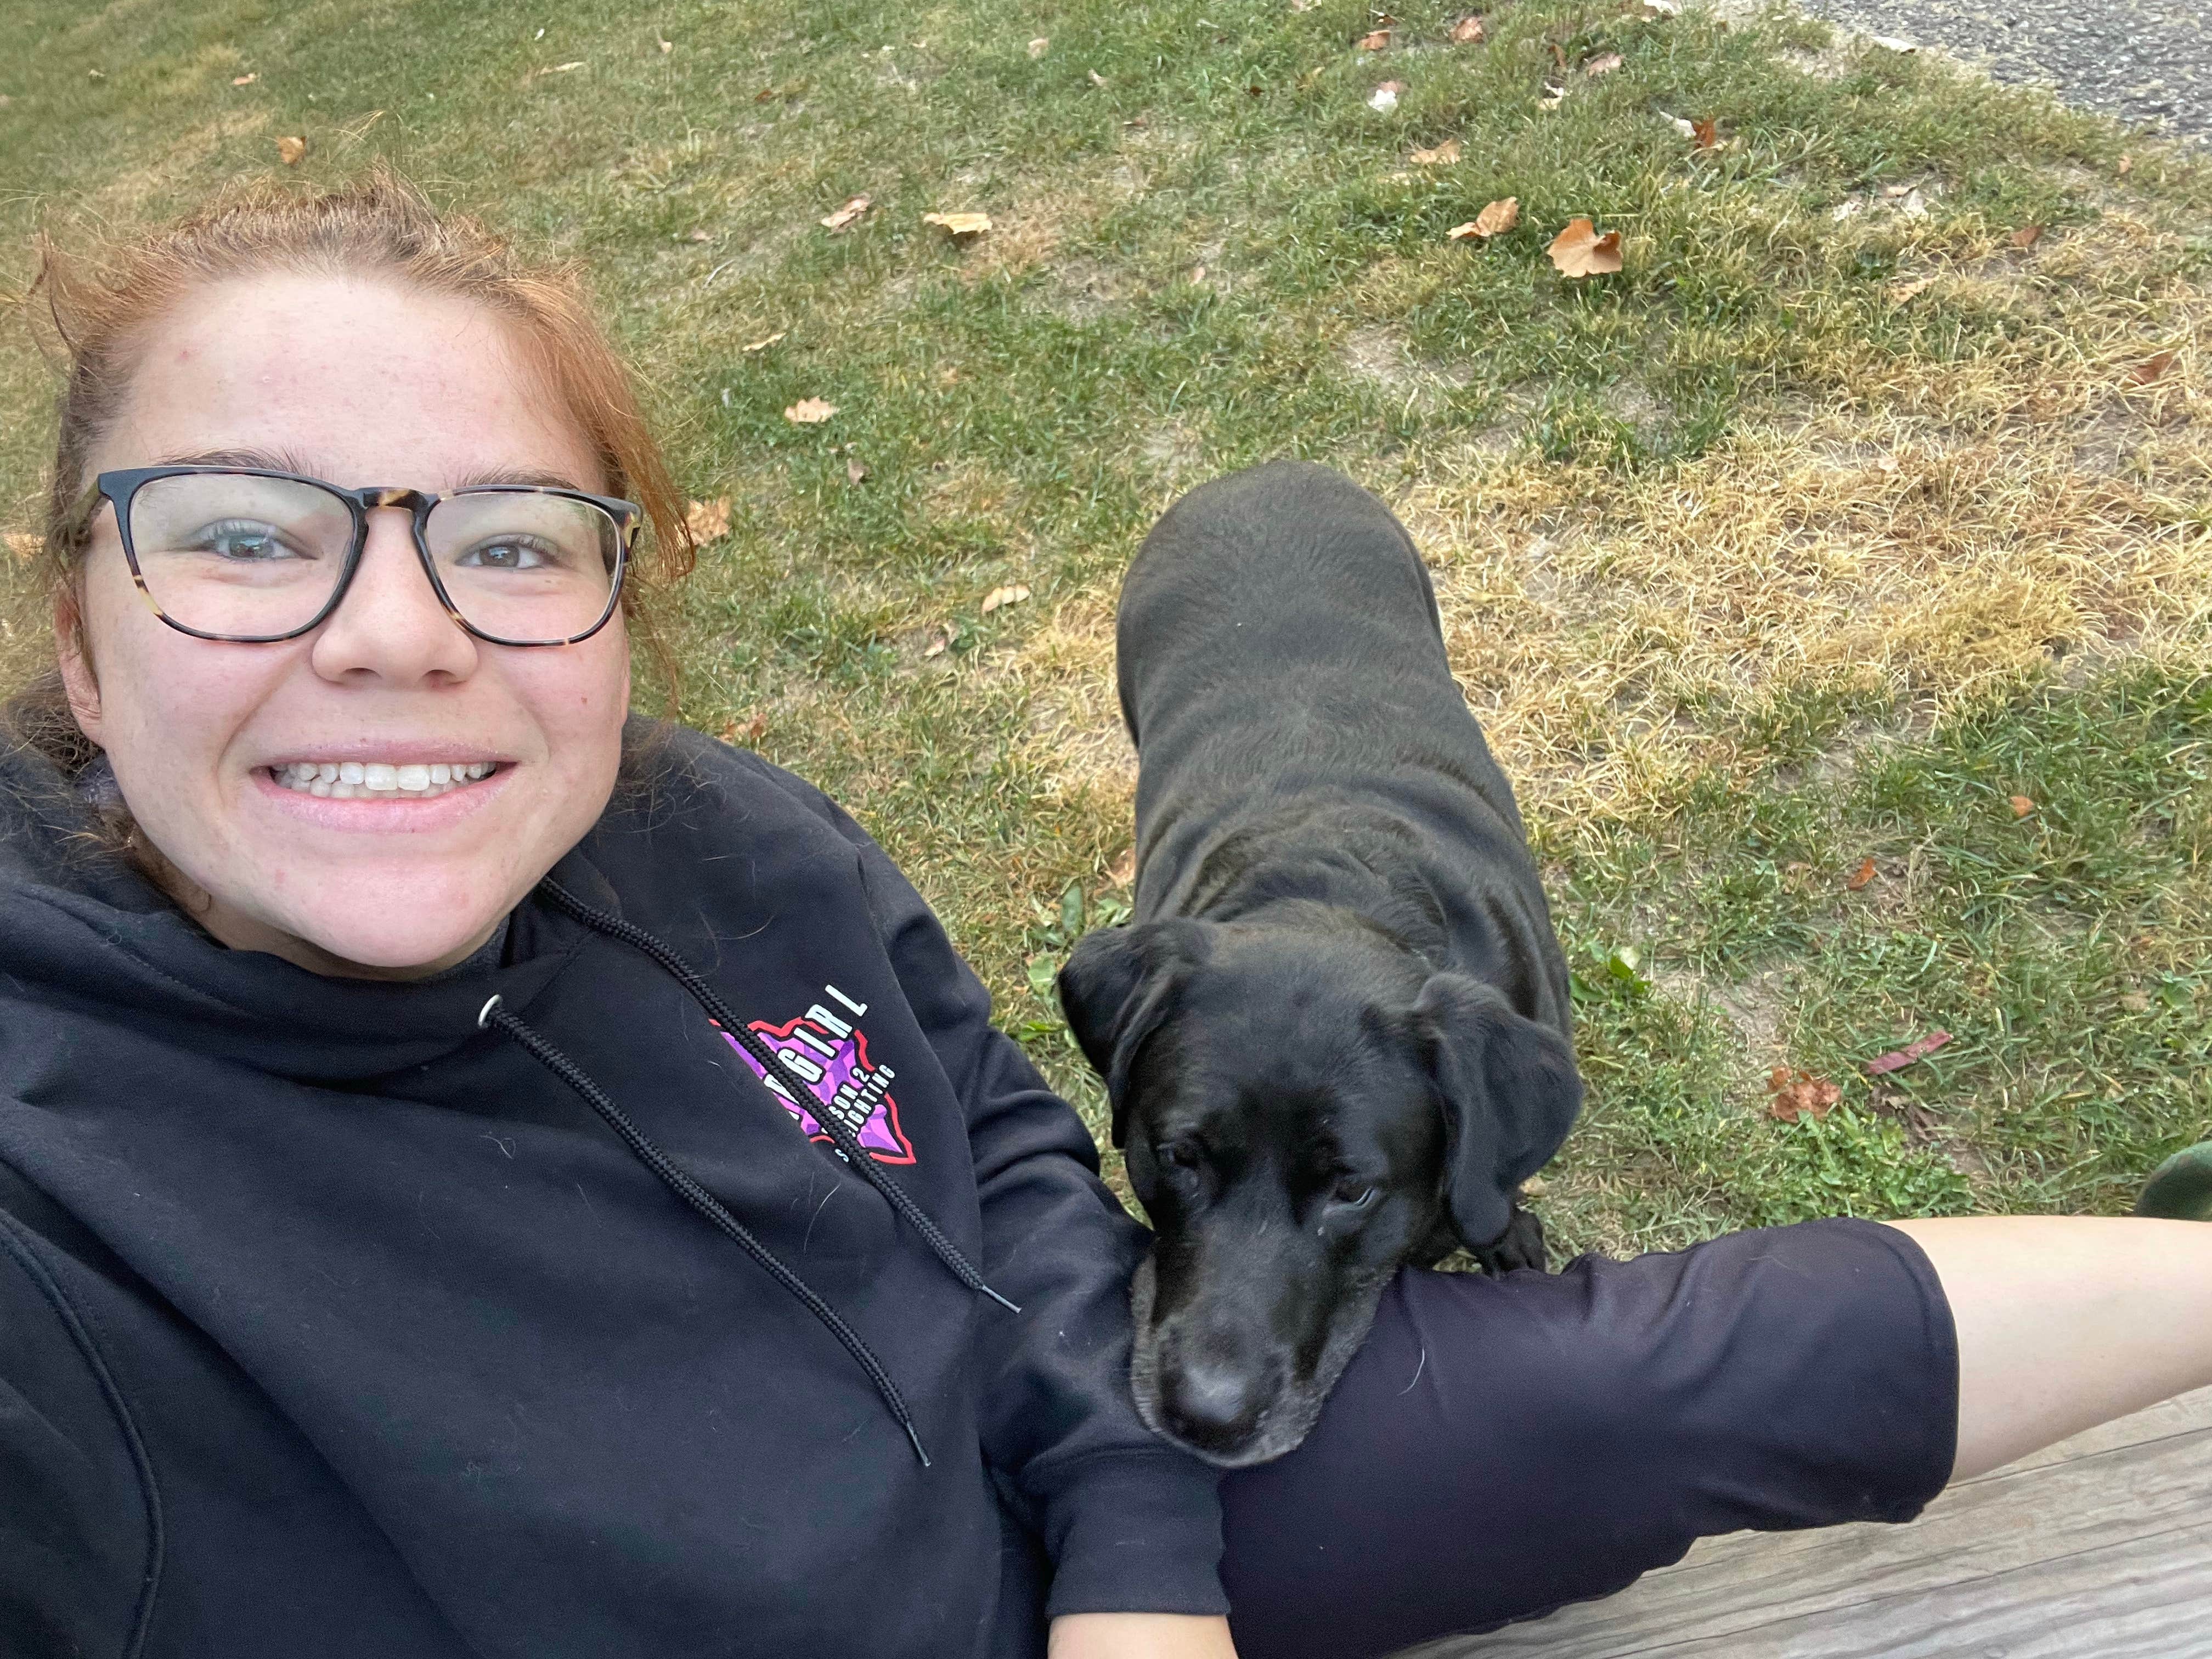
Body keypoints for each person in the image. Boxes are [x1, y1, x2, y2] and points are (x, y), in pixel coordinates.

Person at [2, 171, 2207, 1659]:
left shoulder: (728, 848)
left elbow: (1014, 1149)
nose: (396, 633)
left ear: (618, 596)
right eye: (242, 533)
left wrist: (1138, 1558)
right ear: (78, 643)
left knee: (1686, 1366)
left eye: (507, 539)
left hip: (1093, 1509)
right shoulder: (57, 1199)